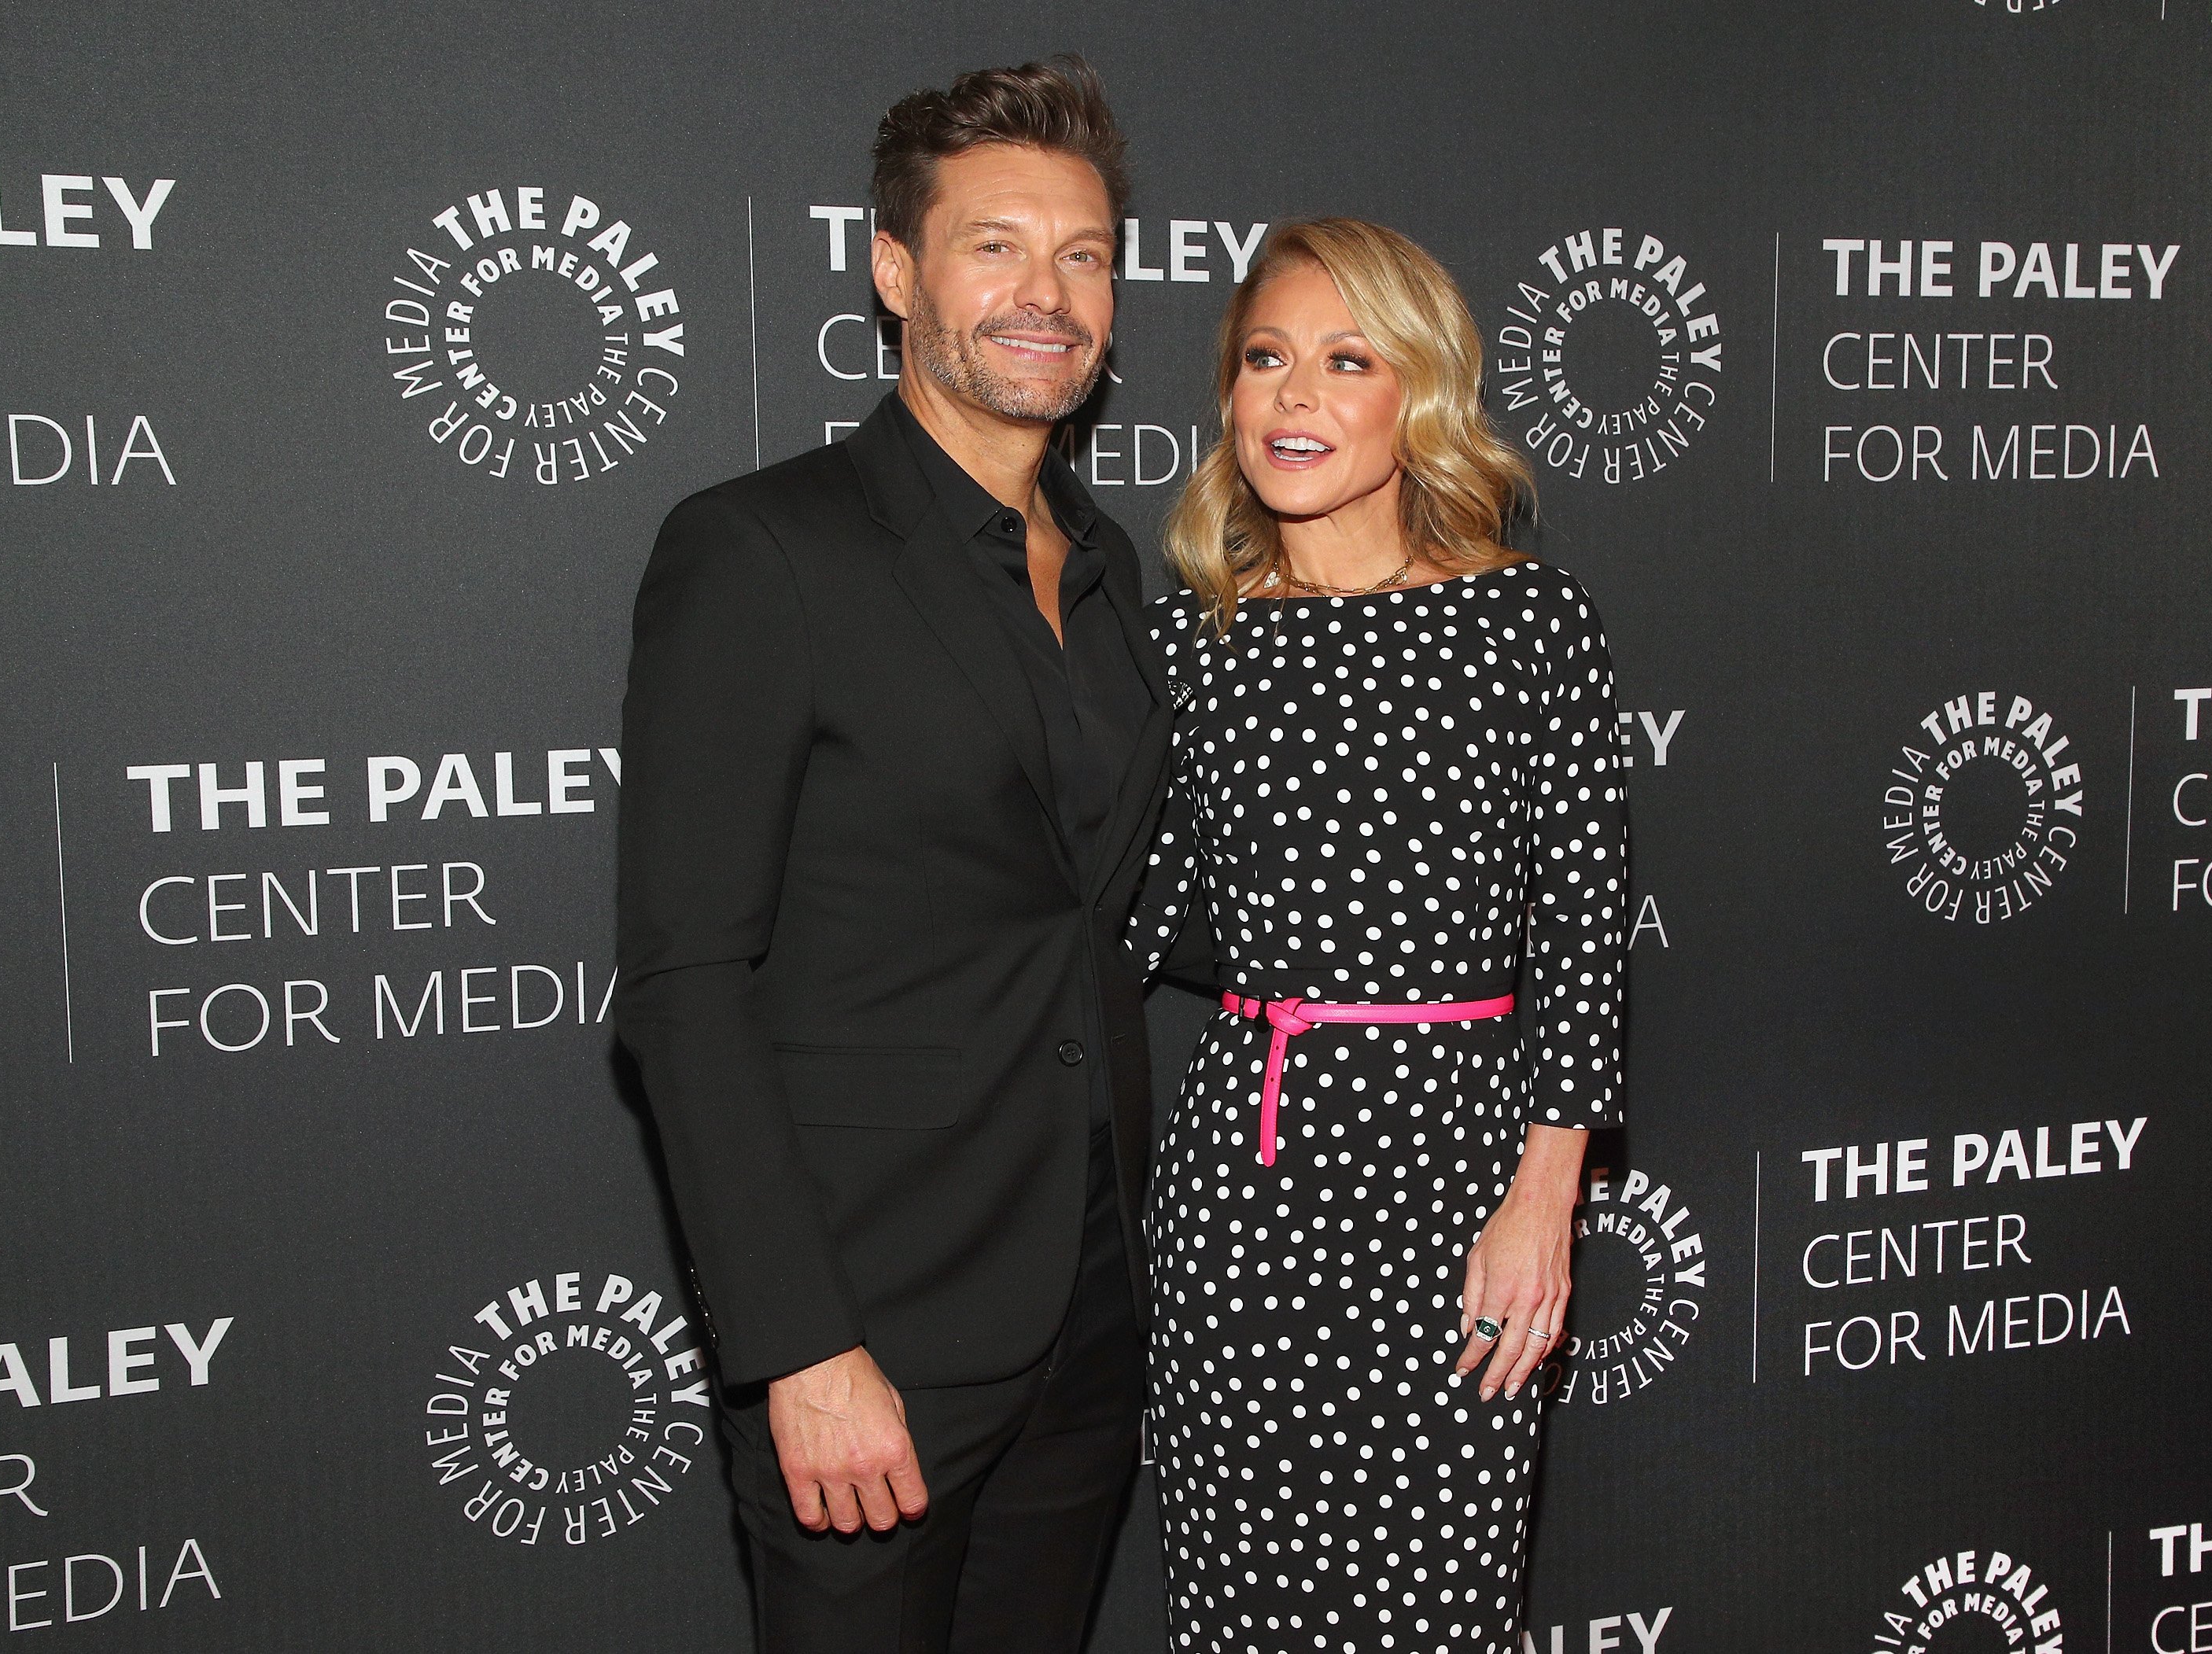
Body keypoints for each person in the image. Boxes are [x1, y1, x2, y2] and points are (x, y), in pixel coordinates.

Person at [614, 57, 1171, 1653]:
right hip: (875, 1327)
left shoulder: (1117, 564)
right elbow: (684, 978)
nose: (1044, 293)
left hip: (1091, 1299)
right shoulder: (761, 550)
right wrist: (800, 1344)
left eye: (1082, 255)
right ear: (895, 267)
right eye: (993, 245)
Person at [1130, 218, 1629, 1654]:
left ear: (1416, 398)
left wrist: (1545, 1205)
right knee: (1239, 1600)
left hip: (1454, 1173)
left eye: (1345, 361)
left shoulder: (1526, 624)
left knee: (1434, 1605)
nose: (1292, 396)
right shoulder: (1189, 645)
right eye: (1265, 359)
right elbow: (1128, 910)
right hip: (1243, 1183)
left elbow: (1583, 933)